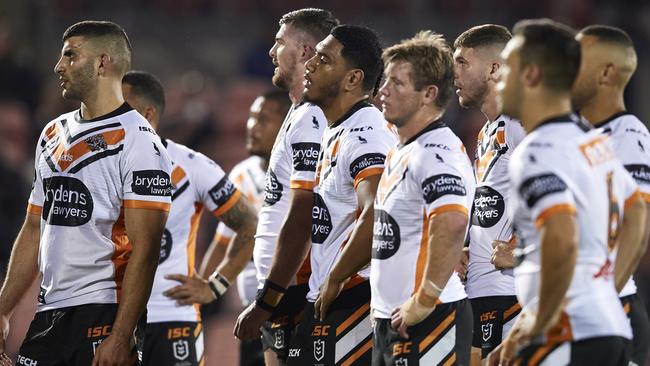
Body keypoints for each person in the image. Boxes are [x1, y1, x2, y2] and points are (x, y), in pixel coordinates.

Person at [168, 9, 338, 366]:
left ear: (306, 52)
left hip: (296, 293)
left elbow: (305, 213)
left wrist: (269, 298)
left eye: (279, 43)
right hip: (282, 294)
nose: (271, 53)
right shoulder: (298, 115)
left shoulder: (312, 118)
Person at [0, 21, 172, 366]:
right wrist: (3, 309)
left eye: (70, 56)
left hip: (102, 313)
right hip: (49, 312)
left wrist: (122, 336)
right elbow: (35, 227)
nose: (58, 67)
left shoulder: (139, 141)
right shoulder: (52, 132)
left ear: (102, 63)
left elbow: (146, 248)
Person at [491, 19, 647, 365]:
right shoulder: (592, 142)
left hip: (566, 335)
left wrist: (536, 321)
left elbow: (561, 237)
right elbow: (636, 213)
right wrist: (605, 291)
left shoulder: (537, 151)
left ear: (530, 75)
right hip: (605, 328)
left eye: (506, 70)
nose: (498, 80)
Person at [121, 70, 259, 366]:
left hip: (171, 317)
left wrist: (215, 285)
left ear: (147, 115)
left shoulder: (191, 166)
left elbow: (250, 225)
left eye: (121, 109)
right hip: (107, 314)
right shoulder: (93, 167)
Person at [280, 24, 395, 365]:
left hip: (353, 301)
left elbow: (377, 214)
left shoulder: (365, 134)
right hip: (327, 299)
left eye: (325, 59)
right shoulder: (338, 129)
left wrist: (337, 276)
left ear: (352, 79)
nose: (311, 64)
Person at [369, 30, 475, 366]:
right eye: (385, 80)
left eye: (397, 83)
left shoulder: (434, 151)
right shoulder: (404, 150)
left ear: (428, 94)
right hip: (394, 319)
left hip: (428, 320)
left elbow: (453, 221)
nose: (383, 90)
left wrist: (425, 299)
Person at [571, 24, 650, 366]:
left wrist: (601, 300)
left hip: (611, 312)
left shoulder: (627, 135)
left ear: (606, 73)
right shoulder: (579, 137)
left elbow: (639, 224)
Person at [199, 89, 291, 366]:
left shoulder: (302, 176)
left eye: (263, 119)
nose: (252, 127)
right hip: (250, 316)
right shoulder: (241, 174)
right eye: (251, 118)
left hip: (288, 313)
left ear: (288, 125)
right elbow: (224, 244)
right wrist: (198, 297)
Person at [453, 24, 525, 363]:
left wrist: (526, 253)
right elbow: (498, 205)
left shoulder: (522, 121)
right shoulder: (487, 132)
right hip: (483, 294)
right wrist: (474, 244)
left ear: (495, 68)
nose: (454, 73)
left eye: (463, 62)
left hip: (513, 294)